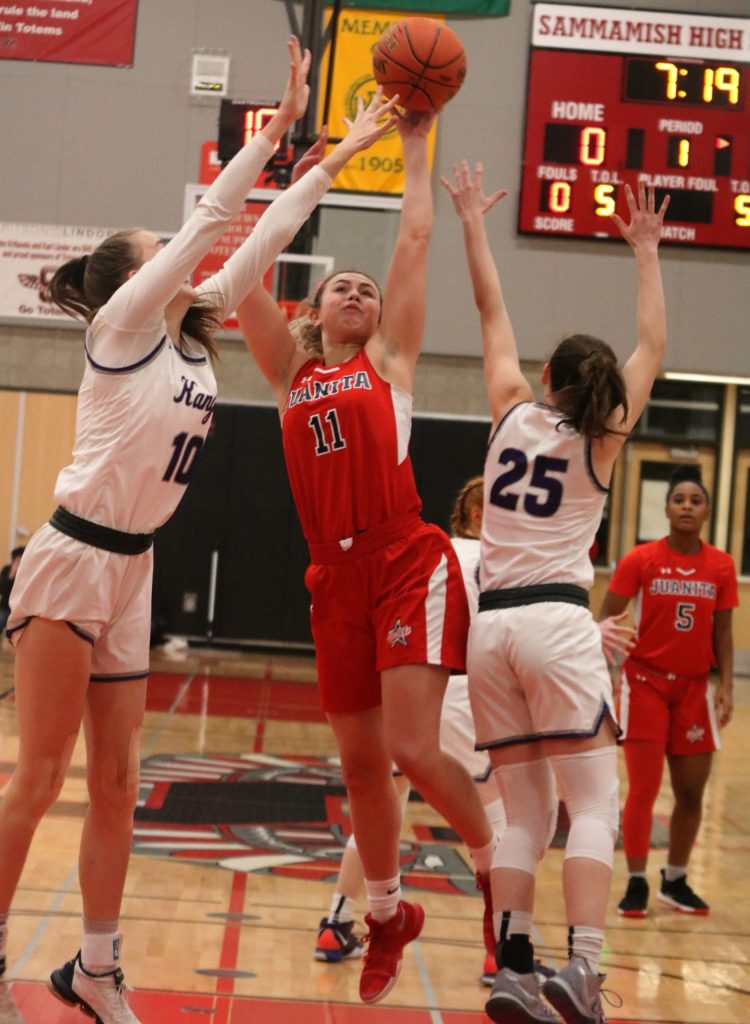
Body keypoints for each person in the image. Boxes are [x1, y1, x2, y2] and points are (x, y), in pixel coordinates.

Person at [0, 40, 398, 1024]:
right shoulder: (125, 325)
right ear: (135, 271)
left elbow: (265, 235)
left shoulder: (191, 327)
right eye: (160, 246)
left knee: (119, 786)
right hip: (70, 556)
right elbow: (218, 220)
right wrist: (263, 138)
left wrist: (336, 151)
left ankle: (95, 966)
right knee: (41, 773)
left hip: (133, 571)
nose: (182, 255)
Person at [236, 113, 499, 1007]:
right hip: (331, 577)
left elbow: (416, 233)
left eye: (365, 287)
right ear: (314, 313)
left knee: (413, 747)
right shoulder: (290, 377)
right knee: (358, 765)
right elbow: (239, 280)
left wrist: (417, 135)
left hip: (403, 556)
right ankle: (386, 913)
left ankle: (498, 874)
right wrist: (298, 176)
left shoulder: (390, 362)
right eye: (341, 286)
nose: (356, 291)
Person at [442, 161, 669, 1024]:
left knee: (523, 814)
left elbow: (489, 311)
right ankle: (580, 970)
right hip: (555, 620)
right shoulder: (604, 440)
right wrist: (645, 252)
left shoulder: (508, 408)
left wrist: (471, 220)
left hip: (488, 636)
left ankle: (511, 969)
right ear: (602, 391)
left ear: (546, 377)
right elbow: (652, 346)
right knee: (595, 805)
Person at [313, 476, 507, 987]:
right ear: (475, 517)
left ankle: (336, 920)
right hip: (465, 691)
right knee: (495, 815)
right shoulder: (503, 562)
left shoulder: (436, 556)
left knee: (383, 800)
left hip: (416, 685)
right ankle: (502, 947)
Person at [599, 464, 737, 919]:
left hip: (695, 689)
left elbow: (724, 631)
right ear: (666, 507)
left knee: (692, 793)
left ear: (706, 512)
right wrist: (600, 668)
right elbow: (608, 616)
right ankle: (636, 881)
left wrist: (726, 687)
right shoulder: (642, 559)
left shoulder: (720, 565)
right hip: (645, 685)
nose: (686, 507)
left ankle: (674, 880)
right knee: (643, 789)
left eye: (695, 501)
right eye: (679, 499)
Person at [0, 549, 24, 634]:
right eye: (17, 560)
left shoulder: (27, 571)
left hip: (21, 609)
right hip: (5, 607)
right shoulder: (6, 570)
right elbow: (2, 589)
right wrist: (12, 574)